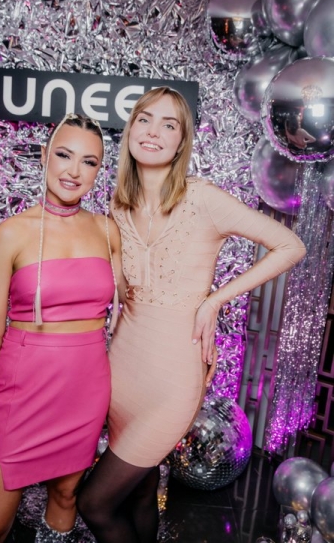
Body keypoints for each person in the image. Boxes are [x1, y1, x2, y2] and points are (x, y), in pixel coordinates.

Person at [77, 86, 306, 543]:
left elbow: (290, 245)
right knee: (142, 492)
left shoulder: (203, 198)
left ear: (182, 141)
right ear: (130, 129)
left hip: (173, 375)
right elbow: (120, 291)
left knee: (94, 504)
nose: (153, 132)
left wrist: (215, 300)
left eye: (169, 125)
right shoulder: (118, 203)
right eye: (145, 120)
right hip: (123, 366)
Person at [0, 114, 122, 543]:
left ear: (99, 171)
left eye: (89, 162)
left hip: (84, 392)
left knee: (66, 497)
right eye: (64, 155)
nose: (74, 171)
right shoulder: (12, 233)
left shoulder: (108, 231)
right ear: (45, 156)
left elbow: (137, 304)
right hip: (21, 393)